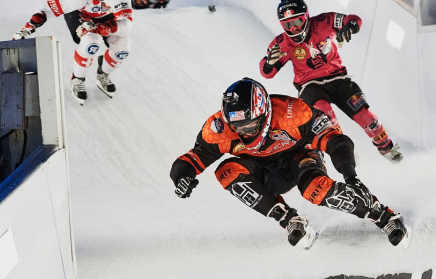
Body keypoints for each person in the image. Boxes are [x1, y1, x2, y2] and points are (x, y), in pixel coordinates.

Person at [170, 78, 410, 249]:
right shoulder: (219, 128)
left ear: (265, 113)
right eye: (237, 127)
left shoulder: (294, 113)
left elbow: (335, 141)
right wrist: (182, 176)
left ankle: (383, 215)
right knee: (226, 171)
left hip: (299, 156)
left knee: (315, 190)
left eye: (250, 125)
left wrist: (350, 176)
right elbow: (194, 157)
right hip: (264, 170)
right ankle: (287, 219)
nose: (243, 133)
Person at [259, 0, 404, 163]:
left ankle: (387, 148)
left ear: (306, 17)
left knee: (366, 116)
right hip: (309, 86)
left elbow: (354, 19)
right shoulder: (282, 42)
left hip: (338, 78)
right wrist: (269, 63)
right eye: (287, 25)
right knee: (326, 114)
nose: (294, 29)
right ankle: (343, 149)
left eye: (297, 22)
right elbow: (267, 73)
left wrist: (348, 27)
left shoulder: (323, 22)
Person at [12, 0, 134, 105]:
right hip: (82, 16)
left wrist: (102, 27)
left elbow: (126, 26)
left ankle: (103, 72)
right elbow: (47, 9)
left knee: (122, 50)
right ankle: (77, 78)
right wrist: (28, 28)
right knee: (91, 43)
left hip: (106, 17)